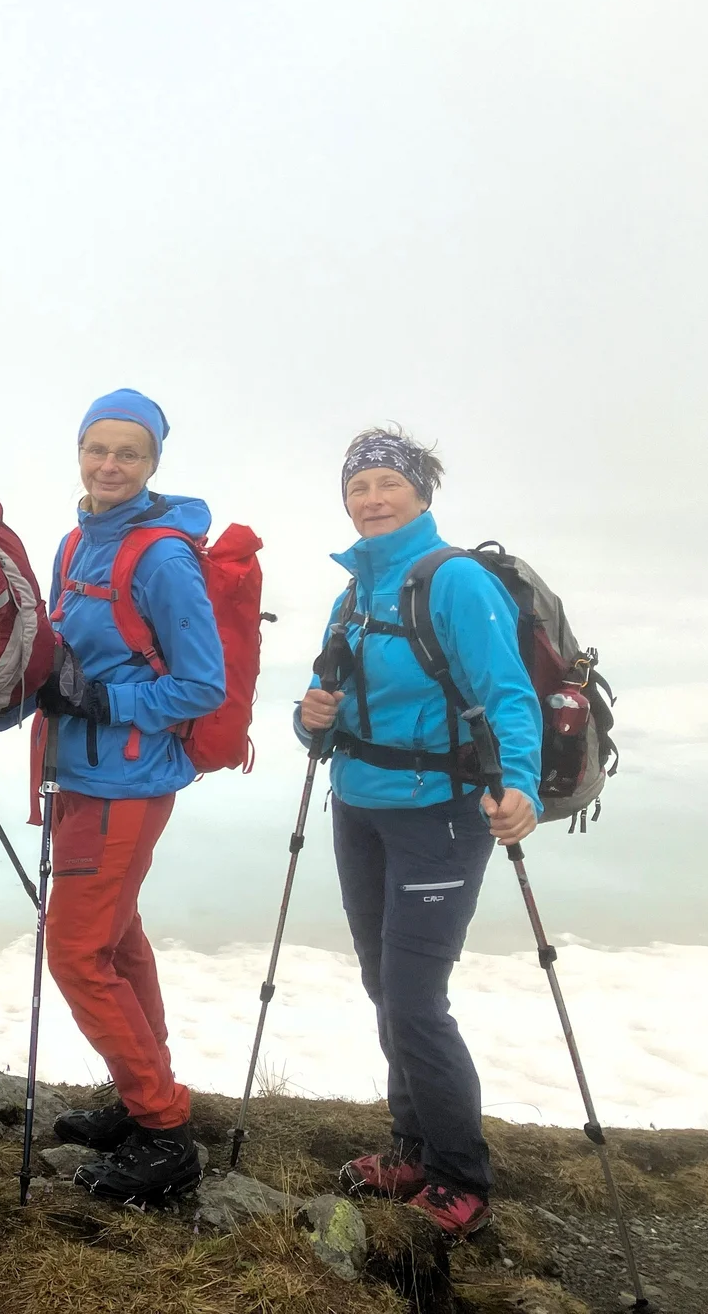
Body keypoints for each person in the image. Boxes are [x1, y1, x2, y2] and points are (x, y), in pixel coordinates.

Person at [296, 427, 540, 1238]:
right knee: (383, 984)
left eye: (386, 484)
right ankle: (412, 1145)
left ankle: (460, 1175)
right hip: (359, 805)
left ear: (421, 494)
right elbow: (327, 708)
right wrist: (311, 719)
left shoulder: (456, 580)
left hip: (441, 813)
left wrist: (520, 785)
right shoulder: (352, 594)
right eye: (358, 487)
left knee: (414, 997)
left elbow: (508, 693)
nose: (371, 499)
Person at [37, 389, 226, 1204]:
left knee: (77, 954)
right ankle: (143, 1091)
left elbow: (203, 685)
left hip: (126, 781)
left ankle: (163, 1130)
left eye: (129, 453)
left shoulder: (161, 559)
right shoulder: (75, 542)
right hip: (83, 776)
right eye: (97, 449)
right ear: (80, 451)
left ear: (153, 463)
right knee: (115, 944)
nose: (109, 465)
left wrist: (104, 701)